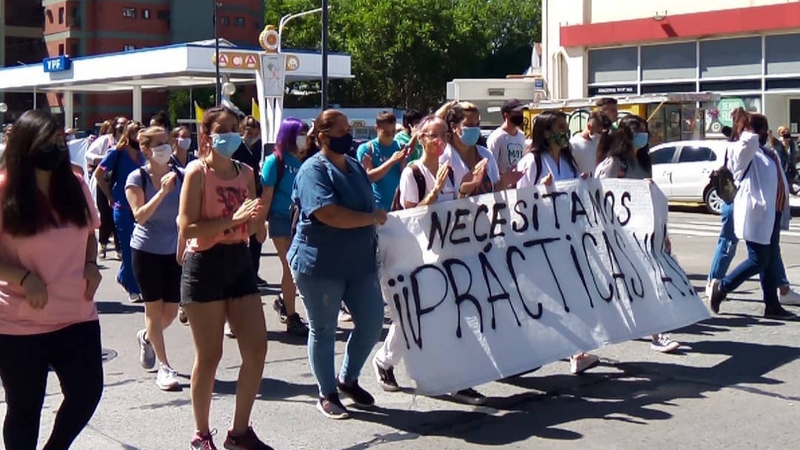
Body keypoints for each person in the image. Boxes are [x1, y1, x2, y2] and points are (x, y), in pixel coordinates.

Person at [0, 109, 104, 450]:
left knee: (87, 392)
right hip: (20, 323)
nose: (56, 149)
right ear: (26, 147)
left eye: (59, 141)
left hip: (76, 313)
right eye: (47, 143)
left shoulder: (74, 184)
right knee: (25, 408)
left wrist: (90, 262)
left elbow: (90, 232)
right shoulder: (5, 190)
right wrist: (22, 277)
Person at [177, 106, 272, 449]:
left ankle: (239, 431)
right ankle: (202, 434)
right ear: (207, 136)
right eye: (224, 129)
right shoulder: (197, 173)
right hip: (205, 264)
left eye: (236, 127)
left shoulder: (246, 172)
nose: (232, 134)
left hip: (238, 259)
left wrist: (259, 218)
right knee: (210, 355)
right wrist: (233, 218)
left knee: (257, 348)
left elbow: (253, 227)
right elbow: (187, 227)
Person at [290, 109, 386, 420]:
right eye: (341, 130)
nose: (348, 135)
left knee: (371, 324)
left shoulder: (355, 166)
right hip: (320, 264)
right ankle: (327, 392)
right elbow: (327, 213)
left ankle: (348, 378)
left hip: (359, 263)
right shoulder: (312, 171)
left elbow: (369, 200)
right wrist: (370, 219)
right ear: (322, 136)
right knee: (324, 329)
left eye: (349, 129)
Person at [595, 115, 681, 353]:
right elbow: (599, 196)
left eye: (645, 131)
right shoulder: (614, 163)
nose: (643, 136)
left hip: (643, 235)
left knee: (648, 282)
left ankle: (657, 333)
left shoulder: (643, 161)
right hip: (619, 236)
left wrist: (663, 233)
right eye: (638, 131)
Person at [708, 110, 797, 320]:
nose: (767, 133)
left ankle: (772, 305)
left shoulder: (766, 152)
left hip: (773, 212)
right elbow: (747, 141)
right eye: (763, 129)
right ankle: (722, 287)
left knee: (771, 258)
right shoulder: (743, 150)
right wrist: (746, 122)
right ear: (752, 131)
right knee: (758, 259)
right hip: (756, 213)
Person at [125, 126, 184, 391]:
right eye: (159, 143)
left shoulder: (180, 176)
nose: (166, 147)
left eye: (167, 141)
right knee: (153, 307)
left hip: (173, 251)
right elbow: (140, 215)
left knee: (170, 312)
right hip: (146, 250)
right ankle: (164, 366)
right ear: (146, 149)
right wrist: (161, 192)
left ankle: (147, 336)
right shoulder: (137, 178)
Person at [260, 118, 310, 337]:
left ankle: (284, 301)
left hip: (302, 219)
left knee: (300, 269)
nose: (305, 138)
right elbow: (266, 195)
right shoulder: (275, 161)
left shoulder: (304, 160)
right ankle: (291, 316)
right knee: (291, 268)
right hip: (281, 218)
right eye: (301, 133)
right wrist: (260, 224)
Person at [94, 121, 145, 302]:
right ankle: (132, 287)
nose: (138, 138)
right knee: (128, 247)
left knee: (138, 247)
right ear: (128, 135)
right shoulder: (117, 152)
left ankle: (124, 276)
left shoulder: (143, 154)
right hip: (121, 206)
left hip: (140, 207)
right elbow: (99, 174)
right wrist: (109, 195)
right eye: (135, 134)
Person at [439, 102, 522, 199]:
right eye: (469, 124)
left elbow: (494, 193)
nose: (475, 128)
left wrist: (504, 182)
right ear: (453, 127)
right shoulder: (444, 158)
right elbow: (444, 205)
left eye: (477, 124)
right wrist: (464, 190)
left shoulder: (486, 154)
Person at [232, 115, 267, 288]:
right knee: (242, 236)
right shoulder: (237, 148)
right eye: (249, 132)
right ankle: (243, 273)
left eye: (255, 132)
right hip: (241, 195)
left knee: (256, 238)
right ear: (241, 131)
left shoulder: (257, 148)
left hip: (256, 193)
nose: (253, 135)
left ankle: (254, 272)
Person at [86, 118, 121, 260]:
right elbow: (89, 154)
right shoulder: (105, 140)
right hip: (103, 181)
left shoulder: (126, 143)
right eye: (120, 126)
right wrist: (104, 158)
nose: (122, 129)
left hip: (120, 181)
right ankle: (102, 244)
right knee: (105, 213)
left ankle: (119, 248)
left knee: (118, 214)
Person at [357, 111, 407, 211]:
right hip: (376, 207)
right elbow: (369, 177)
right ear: (376, 128)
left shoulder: (400, 147)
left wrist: (403, 161)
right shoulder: (367, 149)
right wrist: (392, 161)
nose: (391, 136)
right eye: (386, 133)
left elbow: (405, 176)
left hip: (398, 206)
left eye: (393, 132)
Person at [487, 98, 527, 172]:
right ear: (506, 115)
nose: (520, 115)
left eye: (521, 113)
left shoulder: (521, 136)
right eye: (517, 113)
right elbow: (491, 164)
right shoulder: (497, 137)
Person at [569, 111, 613, 175]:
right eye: (599, 133)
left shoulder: (600, 144)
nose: (600, 136)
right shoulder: (573, 144)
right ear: (589, 127)